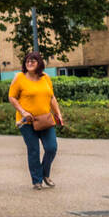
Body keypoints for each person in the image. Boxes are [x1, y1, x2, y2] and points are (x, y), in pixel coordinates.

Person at [8, 50, 64, 189]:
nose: (30, 63)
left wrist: (58, 113)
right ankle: (37, 180)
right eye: (27, 61)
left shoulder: (45, 78)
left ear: (39, 63)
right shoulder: (19, 77)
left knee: (51, 148)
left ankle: (44, 174)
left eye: (33, 61)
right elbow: (12, 97)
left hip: (45, 119)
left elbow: (51, 97)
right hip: (27, 121)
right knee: (33, 150)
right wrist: (23, 111)